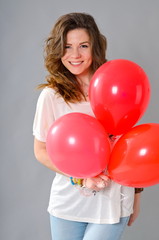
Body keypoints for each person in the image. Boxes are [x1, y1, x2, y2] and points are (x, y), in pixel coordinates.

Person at [33, 12, 143, 240]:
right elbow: (41, 150)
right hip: (67, 204)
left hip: (114, 201)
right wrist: (82, 178)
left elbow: (131, 145)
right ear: (58, 50)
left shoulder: (116, 86)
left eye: (83, 45)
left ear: (95, 47)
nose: (75, 55)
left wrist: (137, 195)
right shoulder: (52, 95)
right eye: (67, 46)